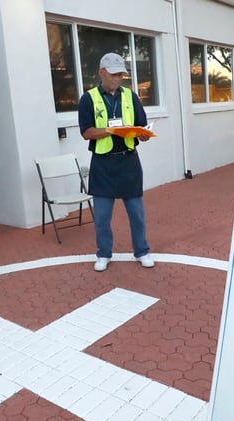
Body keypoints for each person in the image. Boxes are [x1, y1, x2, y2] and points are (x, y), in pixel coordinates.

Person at [78, 53, 154, 272]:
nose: (118, 78)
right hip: (103, 165)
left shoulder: (131, 96)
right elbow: (86, 132)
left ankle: (142, 251)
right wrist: (111, 130)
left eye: (121, 74)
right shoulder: (89, 98)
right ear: (102, 72)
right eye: (114, 74)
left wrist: (143, 134)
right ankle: (103, 254)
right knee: (102, 217)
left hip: (129, 162)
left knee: (137, 215)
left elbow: (142, 125)